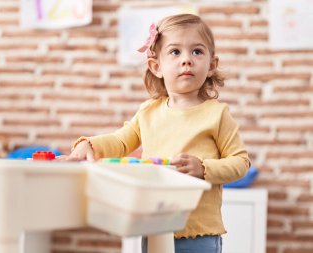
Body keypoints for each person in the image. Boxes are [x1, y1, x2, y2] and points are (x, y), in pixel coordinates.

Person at [59, 13, 250, 253]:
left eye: (197, 52)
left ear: (212, 65)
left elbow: (240, 163)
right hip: (155, 226)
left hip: (199, 234)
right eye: (175, 52)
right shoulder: (148, 111)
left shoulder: (218, 114)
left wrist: (204, 169)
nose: (187, 60)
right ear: (156, 66)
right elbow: (120, 140)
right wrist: (90, 145)